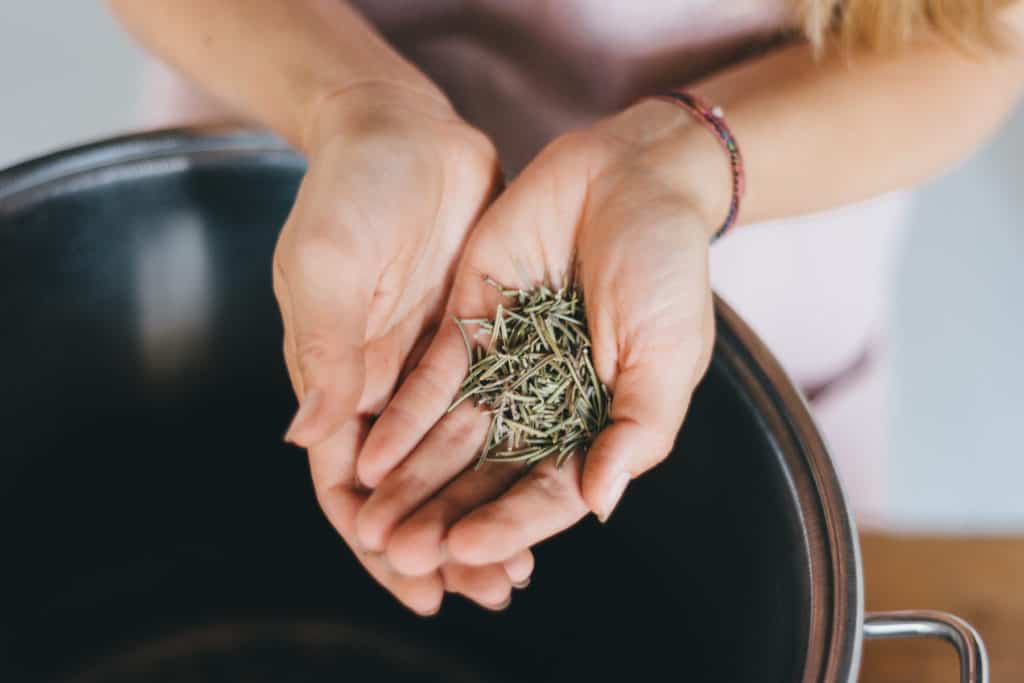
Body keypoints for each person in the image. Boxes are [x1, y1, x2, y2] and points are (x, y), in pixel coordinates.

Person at [110, 0, 1024, 616]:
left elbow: (973, 35)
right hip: (312, 194)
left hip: (759, 246)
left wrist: (677, 166)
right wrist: (355, 99)